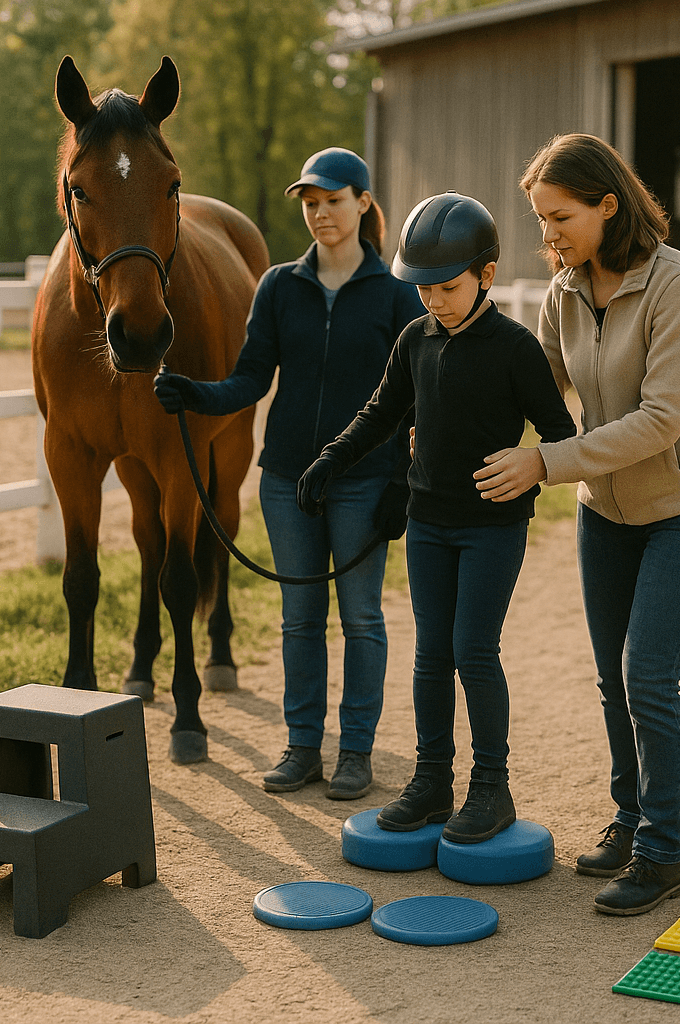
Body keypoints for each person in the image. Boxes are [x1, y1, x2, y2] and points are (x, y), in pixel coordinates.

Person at [473, 133, 680, 913]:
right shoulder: (562, 292)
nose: (547, 235)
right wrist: (460, 423)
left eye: (560, 217)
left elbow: (661, 419)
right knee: (612, 682)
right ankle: (630, 818)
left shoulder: (676, 284)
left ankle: (662, 852)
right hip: (605, 514)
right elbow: (541, 389)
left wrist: (546, 465)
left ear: (607, 205)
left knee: (647, 677)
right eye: (540, 220)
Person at [297, 192, 577, 843]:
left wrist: (529, 462)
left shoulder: (515, 349)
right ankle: (430, 783)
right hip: (427, 525)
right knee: (430, 654)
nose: (433, 301)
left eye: (447, 287)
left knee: (474, 652)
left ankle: (491, 787)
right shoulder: (415, 340)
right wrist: (331, 461)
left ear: (486, 275)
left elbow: (560, 432)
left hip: (492, 530)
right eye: (422, 288)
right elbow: (380, 411)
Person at [154, 147, 425, 800]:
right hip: (286, 482)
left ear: (363, 203)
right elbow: (252, 379)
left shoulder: (396, 297)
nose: (320, 214)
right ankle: (303, 747)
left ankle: (354, 752)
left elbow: (416, 398)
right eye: (310, 203)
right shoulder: (278, 286)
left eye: (333, 200)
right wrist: (194, 393)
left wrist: (401, 483)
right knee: (299, 619)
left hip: (364, 482)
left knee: (361, 618)